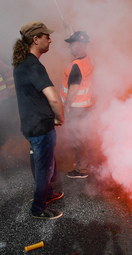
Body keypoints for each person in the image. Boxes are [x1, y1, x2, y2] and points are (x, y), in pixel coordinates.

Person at [12, 21, 65, 219]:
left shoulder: (23, 63)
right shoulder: (33, 66)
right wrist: (60, 117)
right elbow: (53, 97)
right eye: (47, 36)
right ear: (36, 39)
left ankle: (47, 194)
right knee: (45, 168)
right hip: (40, 127)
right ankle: (38, 208)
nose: (50, 40)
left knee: (45, 164)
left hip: (32, 125)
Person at [60, 31, 93, 178]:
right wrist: (70, 29)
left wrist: (66, 106)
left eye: (71, 44)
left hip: (76, 108)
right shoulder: (85, 60)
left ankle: (82, 169)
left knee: (77, 138)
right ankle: (83, 165)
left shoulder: (76, 66)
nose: (69, 48)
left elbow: (73, 90)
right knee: (82, 137)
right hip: (84, 106)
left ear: (80, 45)